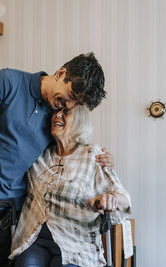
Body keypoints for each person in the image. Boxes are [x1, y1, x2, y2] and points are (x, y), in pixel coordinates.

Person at [0, 53, 113, 267]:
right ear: (61, 74)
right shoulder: (7, 82)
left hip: (11, 205)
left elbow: (66, 152)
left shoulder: (55, 116)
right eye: (70, 95)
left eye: (76, 103)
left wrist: (101, 160)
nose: (68, 105)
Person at [10, 106, 131, 267]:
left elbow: (125, 199)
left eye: (65, 112)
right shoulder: (38, 154)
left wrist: (111, 199)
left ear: (80, 121)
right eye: (55, 112)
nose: (57, 115)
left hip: (76, 244)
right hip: (35, 240)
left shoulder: (93, 155)